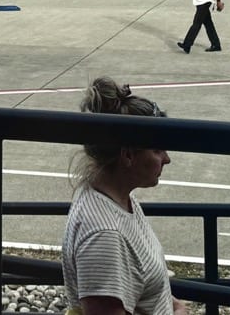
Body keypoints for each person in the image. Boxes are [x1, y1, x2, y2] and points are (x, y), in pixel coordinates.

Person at [62, 77, 183, 315]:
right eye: (157, 149)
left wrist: (169, 302)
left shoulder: (117, 199)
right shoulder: (105, 235)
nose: (167, 159)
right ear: (128, 155)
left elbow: (136, 280)